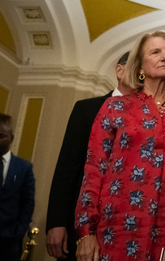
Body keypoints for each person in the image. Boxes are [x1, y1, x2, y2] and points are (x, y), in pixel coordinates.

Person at [75, 31, 165, 261]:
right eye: (156, 52)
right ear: (140, 66)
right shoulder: (114, 107)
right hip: (117, 230)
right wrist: (85, 233)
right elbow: (93, 171)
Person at [46, 52, 132, 260]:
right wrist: (56, 222)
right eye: (136, 66)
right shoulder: (87, 109)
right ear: (119, 70)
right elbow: (68, 168)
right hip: (82, 223)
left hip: (127, 225)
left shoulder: (151, 117)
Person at [0, 113, 35, 261]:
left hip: (8, 242)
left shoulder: (24, 167)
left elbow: (27, 203)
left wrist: (18, 231)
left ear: (11, 138)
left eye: (1, 136)